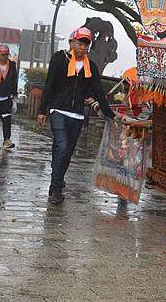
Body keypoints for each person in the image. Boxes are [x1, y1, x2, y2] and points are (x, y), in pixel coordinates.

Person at [37, 27, 119, 205]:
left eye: (86, 44)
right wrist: (42, 110)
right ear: (72, 43)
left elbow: (98, 92)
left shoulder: (92, 67)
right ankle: (56, 188)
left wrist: (111, 115)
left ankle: (56, 179)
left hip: (77, 115)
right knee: (62, 145)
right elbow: (49, 84)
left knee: (66, 152)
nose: (83, 47)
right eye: (80, 43)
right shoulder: (60, 59)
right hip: (58, 110)